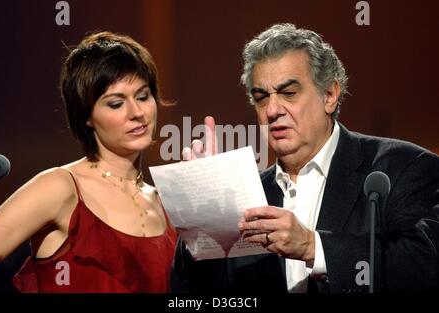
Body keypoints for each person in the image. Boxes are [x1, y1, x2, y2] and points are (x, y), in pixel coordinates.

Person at [171, 23, 439, 292]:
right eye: (261, 97)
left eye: (289, 93)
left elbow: (425, 266)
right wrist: (201, 220)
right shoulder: (247, 197)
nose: (273, 110)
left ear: (330, 95)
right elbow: (195, 294)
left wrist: (313, 247)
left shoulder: (402, 169)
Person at [0, 31, 177, 292]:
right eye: (116, 104)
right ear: (87, 116)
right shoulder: (59, 187)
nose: (137, 113)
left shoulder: (164, 203)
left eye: (143, 96)